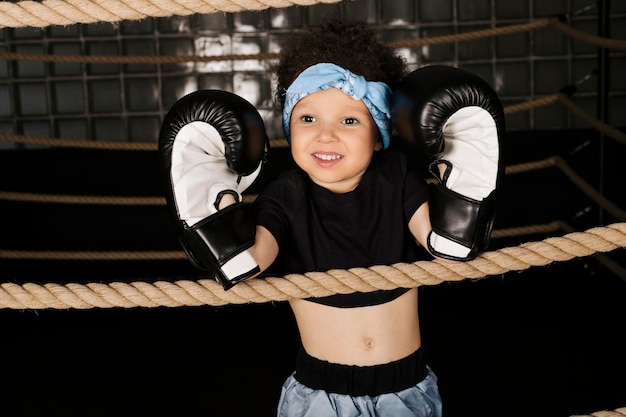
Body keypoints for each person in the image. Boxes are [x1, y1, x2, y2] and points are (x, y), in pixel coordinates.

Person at [159, 18, 504, 417]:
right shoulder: (284, 197)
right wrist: (213, 213)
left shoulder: (397, 178)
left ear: (379, 135)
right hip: (321, 396)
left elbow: (442, 243)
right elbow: (251, 260)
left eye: (349, 120)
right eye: (308, 119)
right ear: (288, 126)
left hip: (405, 390)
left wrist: (464, 190)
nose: (326, 135)